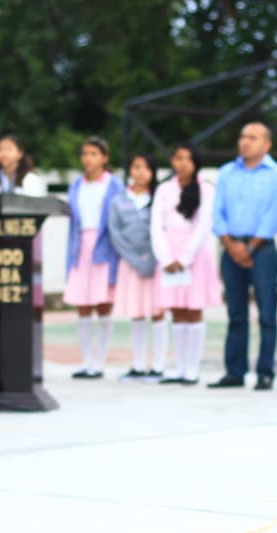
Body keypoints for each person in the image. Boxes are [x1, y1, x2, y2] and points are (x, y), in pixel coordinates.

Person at [208, 122, 277, 390]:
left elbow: (274, 215)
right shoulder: (227, 173)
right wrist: (231, 245)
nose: (245, 142)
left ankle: (265, 372)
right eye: (243, 136)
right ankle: (234, 371)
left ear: (267, 144)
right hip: (231, 248)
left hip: (262, 251)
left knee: (267, 313)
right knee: (235, 314)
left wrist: (250, 247)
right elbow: (218, 213)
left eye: (253, 138)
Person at [152, 144, 220, 385]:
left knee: (193, 309)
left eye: (188, 159)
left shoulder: (206, 190)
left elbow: (204, 226)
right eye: (178, 158)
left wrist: (185, 258)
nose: (182, 164)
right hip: (168, 254)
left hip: (195, 256)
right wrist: (166, 258)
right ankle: (179, 368)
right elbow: (156, 226)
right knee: (176, 310)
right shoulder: (163, 189)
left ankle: (192, 368)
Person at [0, 134, 49, 381]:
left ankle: (32, 366)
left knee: (29, 308)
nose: (3, 154)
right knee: (0, 307)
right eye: (0, 149)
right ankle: (2, 364)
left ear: (20, 152)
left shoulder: (32, 180)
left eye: (9, 149)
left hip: (26, 245)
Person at [64, 136, 124, 378]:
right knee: (83, 304)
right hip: (81, 246)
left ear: (105, 158)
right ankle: (87, 360)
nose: (88, 159)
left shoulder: (114, 185)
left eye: (94, 154)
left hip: (104, 246)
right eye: (85, 154)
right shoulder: (76, 185)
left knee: (103, 303)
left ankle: (100, 361)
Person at [108, 152, 166, 381]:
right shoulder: (119, 200)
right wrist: (135, 260)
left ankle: (158, 366)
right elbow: (115, 233)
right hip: (130, 264)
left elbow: (162, 230)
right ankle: (138, 364)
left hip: (155, 262)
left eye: (144, 167)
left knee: (158, 313)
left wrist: (152, 258)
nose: (139, 172)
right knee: (137, 313)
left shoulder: (158, 199)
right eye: (135, 167)